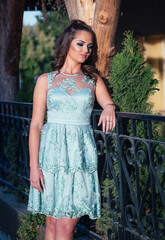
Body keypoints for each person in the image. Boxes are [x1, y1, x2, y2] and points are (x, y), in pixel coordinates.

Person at [27, 19, 116, 240]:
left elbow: (108, 103)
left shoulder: (93, 80)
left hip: (79, 160)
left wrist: (110, 108)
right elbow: (36, 124)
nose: (86, 50)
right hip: (51, 160)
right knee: (51, 223)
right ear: (67, 43)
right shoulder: (45, 80)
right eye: (80, 44)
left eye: (90, 46)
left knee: (66, 227)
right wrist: (33, 166)